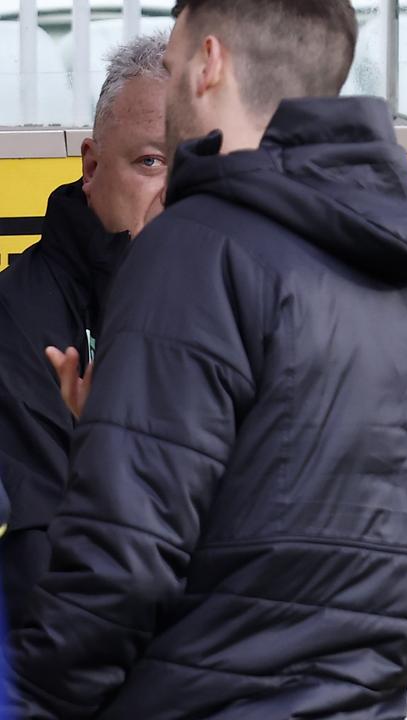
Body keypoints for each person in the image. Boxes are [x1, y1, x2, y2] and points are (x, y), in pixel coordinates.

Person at [9, 1, 407, 717]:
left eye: (174, 62)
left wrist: (44, 701)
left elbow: (119, 572)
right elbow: (337, 575)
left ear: (209, 64)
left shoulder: (190, 249)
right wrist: (117, 431)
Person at [0, 32, 167, 625]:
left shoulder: (254, 310)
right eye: (151, 161)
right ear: (93, 166)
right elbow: (46, 557)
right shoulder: (20, 322)